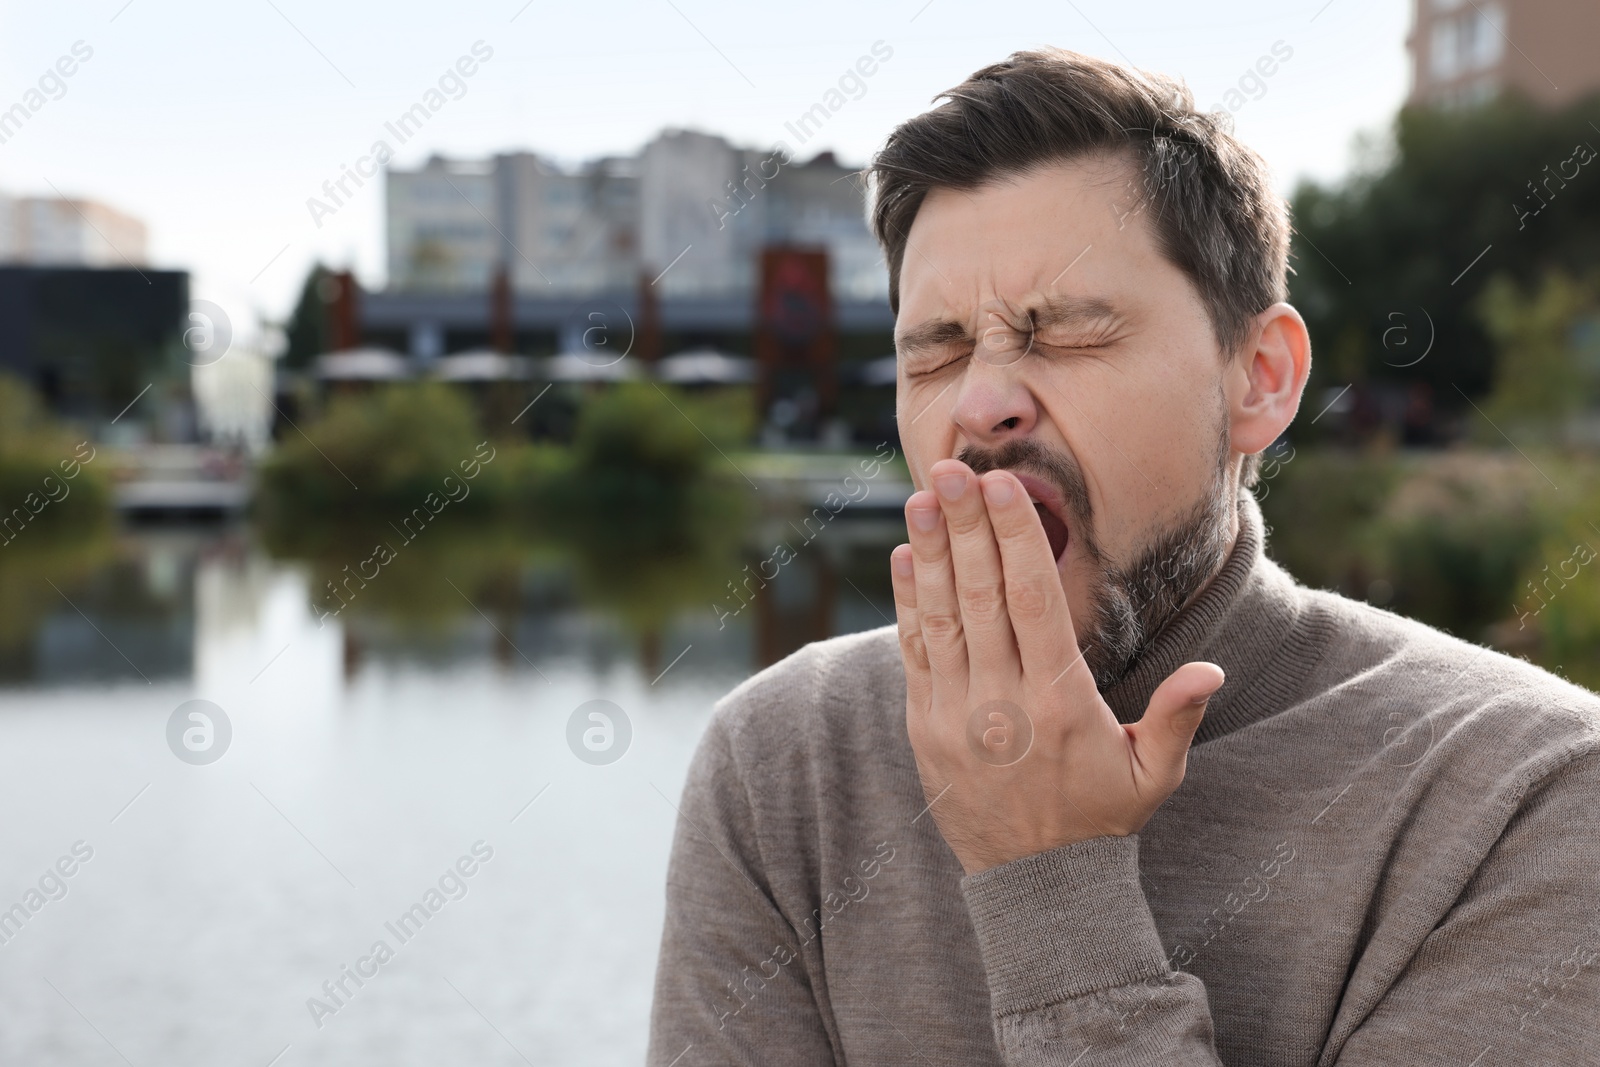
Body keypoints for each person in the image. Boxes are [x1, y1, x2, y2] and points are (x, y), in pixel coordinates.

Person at [648, 48, 1600, 1065]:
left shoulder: (1535, 794)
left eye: (1065, 333)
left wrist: (1047, 873)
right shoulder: (785, 759)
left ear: (1260, 380)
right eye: (934, 349)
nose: (981, 401)